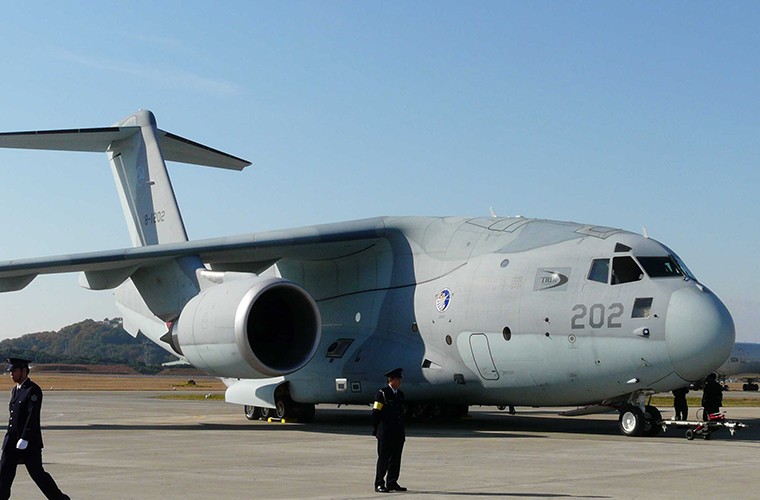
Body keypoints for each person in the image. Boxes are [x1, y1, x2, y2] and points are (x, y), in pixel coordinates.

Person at [0, 358, 69, 500]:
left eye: (14, 371)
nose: (12, 375)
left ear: (24, 371)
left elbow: (33, 417)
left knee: (38, 474)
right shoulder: (15, 390)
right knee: (3, 474)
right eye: (11, 372)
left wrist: (25, 438)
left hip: (28, 443)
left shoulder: (33, 390)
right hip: (11, 441)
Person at [372, 368, 406, 493]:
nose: (400, 381)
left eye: (400, 379)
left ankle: (392, 482)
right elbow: (376, 413)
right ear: (390, 380)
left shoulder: (400, 394)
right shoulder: (383, 394)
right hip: (385, 432)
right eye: (398, 379)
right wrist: (378, 429)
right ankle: (379, 483)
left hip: (397, 432)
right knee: (384, 458)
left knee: (396, 458)